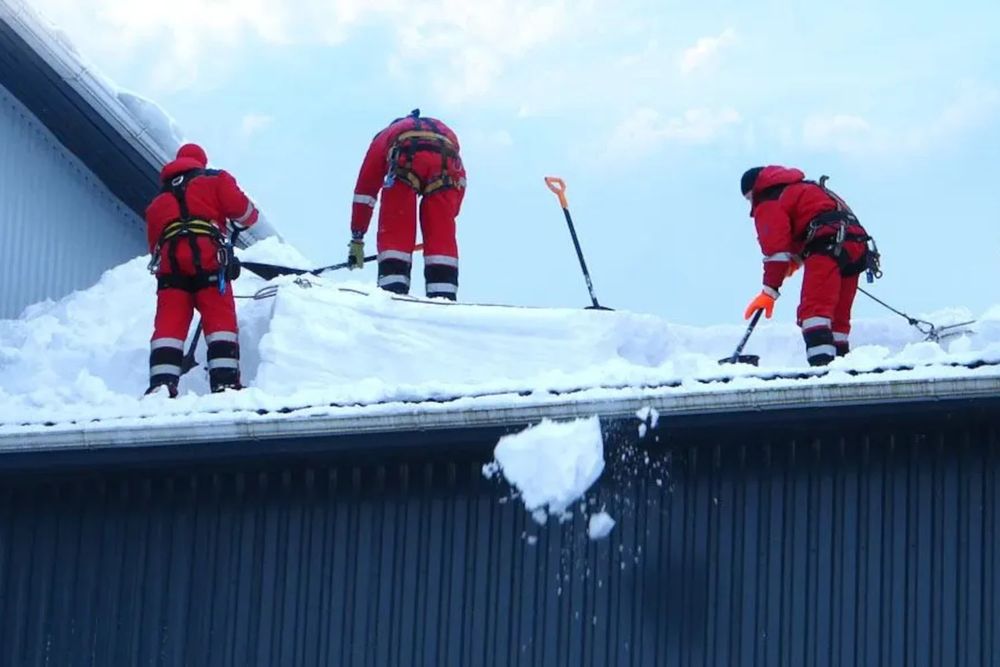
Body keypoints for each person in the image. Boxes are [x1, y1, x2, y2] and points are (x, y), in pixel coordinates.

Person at [144, 143, 260, 396]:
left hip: (171, 266)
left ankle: (161, 384)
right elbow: (246, 213)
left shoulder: (157, 202)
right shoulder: (215, 179)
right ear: (201, 162)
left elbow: (154, 245)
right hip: (208, 258)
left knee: (169, 324)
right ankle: (224, 382)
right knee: (220, 319)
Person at [741, 165, 876, 366]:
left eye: (749, 199)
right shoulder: (806, 189)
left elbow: (775, 250)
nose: (751, 204)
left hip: (827, 248)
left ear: (754, 190)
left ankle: (822, 367)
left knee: (814, 313)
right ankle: (841, 364)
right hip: (856, 248)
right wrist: (794, 262)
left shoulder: (768, 199)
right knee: (837, 319)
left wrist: (769, 291)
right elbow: (807, 230)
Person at [348, 109, 466, 300]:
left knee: (396, 226)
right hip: (446, 165)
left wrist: (357, 237)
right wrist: (445, 218)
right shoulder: (441, 129)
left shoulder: (385, 136)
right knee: (441, 236)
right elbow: (460, 183)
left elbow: (365, 190)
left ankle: (393, 288)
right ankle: (443, 294)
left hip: (405, 164)